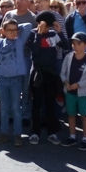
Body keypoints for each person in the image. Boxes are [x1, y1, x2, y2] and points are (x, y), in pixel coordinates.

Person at [0, 20, 32, 147]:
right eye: (9, 30)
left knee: (15, 107)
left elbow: (28, 25)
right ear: (4, 31)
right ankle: (4, 133)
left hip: (16, 79)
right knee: (4, 107)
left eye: (15, 30)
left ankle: (17, 134)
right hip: (2, 79)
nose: (13, 32)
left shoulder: (20, 41)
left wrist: (16, 27)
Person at [28, 11, 69, 145]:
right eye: (44, 25)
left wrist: (59, 32)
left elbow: (66, 47)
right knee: (36, 104)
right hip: (37, 74)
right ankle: (35, 132)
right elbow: (34, 51)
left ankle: (52, 132)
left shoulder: (53, 34)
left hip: (50, 73)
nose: (46, 27)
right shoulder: (33, 34)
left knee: (50, 104)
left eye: (48, 25)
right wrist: (39, 35)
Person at [2, 0, 37, 123]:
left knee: (25, 87)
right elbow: (2, 33)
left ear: (28, 2)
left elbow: (34, 38)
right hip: (9, 57)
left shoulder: (32, 18)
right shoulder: (9, 15)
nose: (19, 1)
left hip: (25, 57)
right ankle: (12, 114)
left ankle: (25, 114)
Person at [60, 32, 86, 151]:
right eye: (73, 43)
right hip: (70, 91)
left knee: (84, 115)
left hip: (83, 93)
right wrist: (65, 82)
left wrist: (79, 85)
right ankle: (72, 136)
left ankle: (85, 138)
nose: (75, 45)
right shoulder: (69, 56)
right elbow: (63, 72)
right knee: (71, 114)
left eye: (78, 43)